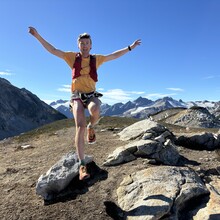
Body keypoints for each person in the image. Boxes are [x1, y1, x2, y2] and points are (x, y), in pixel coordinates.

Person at [28, 26, 141, 180]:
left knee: (95, 109)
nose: (85, 45)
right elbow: (53, 50)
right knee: (79, 127)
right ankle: (82, 165)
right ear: (78, 45)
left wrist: (130, 47)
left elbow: (113, 55)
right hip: (76, 96)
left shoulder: (97, 59)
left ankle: (91, 127)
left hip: (91, 95)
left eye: (87, 43)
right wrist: (37, 36)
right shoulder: (71, 57)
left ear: (91, 45)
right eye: (82, 43)